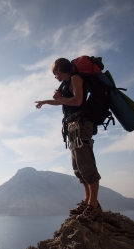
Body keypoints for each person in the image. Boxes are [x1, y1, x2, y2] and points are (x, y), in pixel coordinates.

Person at [35, 58, 102, 222]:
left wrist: (59, 98)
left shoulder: (75, 79)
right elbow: (62, 101)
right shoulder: (65, 83)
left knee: (86, 164)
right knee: (78, 167)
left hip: (80, 124)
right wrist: (46, 101)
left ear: (60, 69)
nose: (54, 76)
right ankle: (87, 200)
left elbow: (78, 101)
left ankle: (93, 205)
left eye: (54, 72)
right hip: (72, 127)